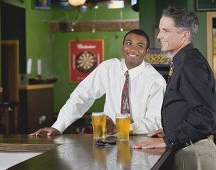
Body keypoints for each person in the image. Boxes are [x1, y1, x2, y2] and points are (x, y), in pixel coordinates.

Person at [30, 29, 166, 137]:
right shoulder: (108, 68)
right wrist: (58, 126)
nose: (133, 49)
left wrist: (121, 128)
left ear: (146, 52)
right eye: (129, 43)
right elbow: (81, 96)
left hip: (141, 141)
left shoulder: (156, 81)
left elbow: (155, 121)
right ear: (123, 46)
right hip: (108, 141)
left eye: (140, 46)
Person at [133, 6, 216, 169]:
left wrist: (169, 140)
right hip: (189, 148)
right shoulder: (183, 61)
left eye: (165, 30)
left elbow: (206, 115)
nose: (159, 35)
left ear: (184, 35)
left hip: (194, 153)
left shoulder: (190, 65)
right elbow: (188, 106)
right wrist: (172, 130)